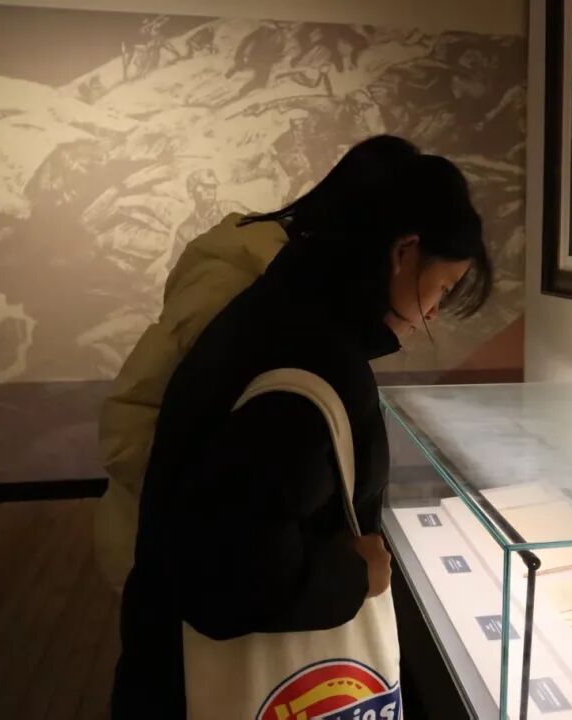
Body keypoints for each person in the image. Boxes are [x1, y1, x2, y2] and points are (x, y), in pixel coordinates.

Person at [107, 136, 492, 716]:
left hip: (161, 654)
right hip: (203, 686)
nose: (434, 310)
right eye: (442, 288)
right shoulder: (312, 360)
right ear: (405, 252)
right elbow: (229, 572)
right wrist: (357, 574)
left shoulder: (281, 307)